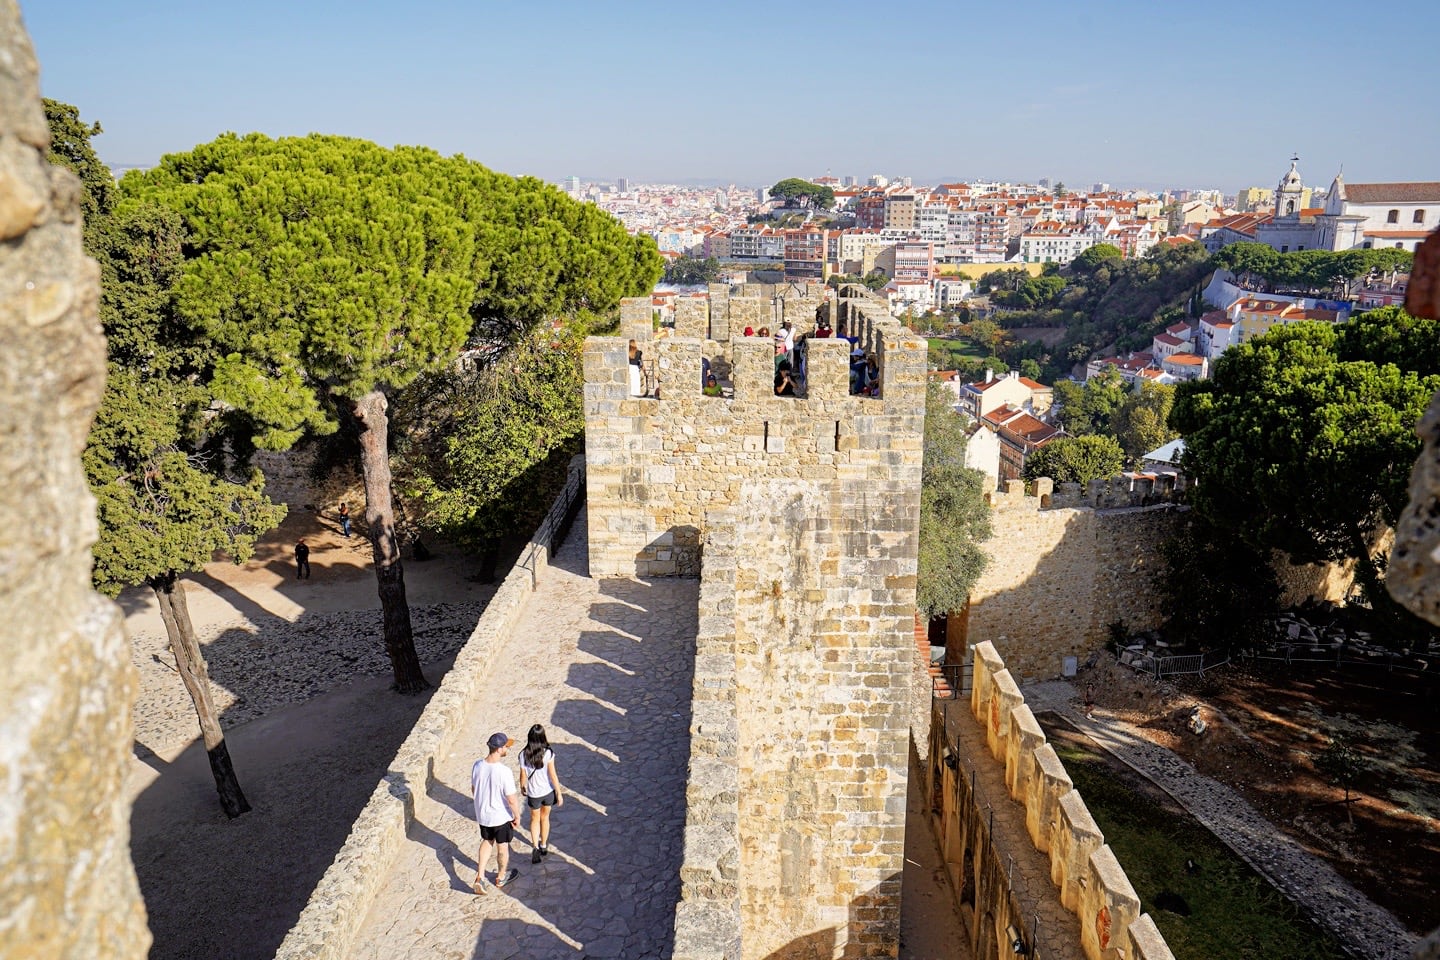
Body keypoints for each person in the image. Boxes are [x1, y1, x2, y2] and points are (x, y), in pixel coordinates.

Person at [472, 732, 523, 893]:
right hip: (500, 817)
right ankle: (501, 876)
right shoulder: (504, 771)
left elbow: (474, 789)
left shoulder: (477, 765)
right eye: (506, 746)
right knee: (503, 847)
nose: (508, 748)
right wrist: (517, 815)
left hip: (484, 815)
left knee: (487, 841)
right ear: (500, 749)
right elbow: (512, 799)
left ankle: (479, 876)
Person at [518, 724, 565, 864]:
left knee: (534, 819)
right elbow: (553, 775)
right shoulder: (548, 753)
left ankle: (535, 846)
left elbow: (523, 776)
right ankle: (543, 845)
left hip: (534, 794)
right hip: (547, 792)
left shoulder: (523, 754)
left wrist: (522, 787)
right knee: (545, 818)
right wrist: (559, 792)